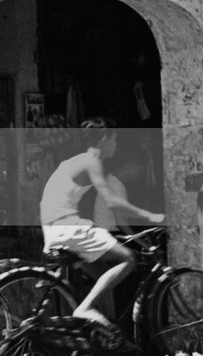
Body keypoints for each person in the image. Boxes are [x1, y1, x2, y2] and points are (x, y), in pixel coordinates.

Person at [39, 116, 164, 343]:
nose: (116, 146)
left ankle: (103, 332)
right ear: (105, 139)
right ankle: (85, 309)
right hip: (66, 225)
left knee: (101, 275)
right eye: (115, 140)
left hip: (54, 226)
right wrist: (150, 216)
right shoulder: (90, 161)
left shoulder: (74, 162)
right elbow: (112, 201)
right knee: (128, 260)